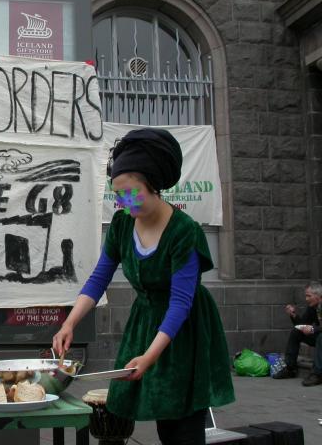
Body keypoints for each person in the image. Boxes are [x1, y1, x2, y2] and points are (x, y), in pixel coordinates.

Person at [52, 127, 234, 445]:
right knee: (146, 407)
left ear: (154, 185)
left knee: (181, 420)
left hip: (185, 328)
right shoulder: (123, 225)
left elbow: (181, 302)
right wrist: (69, 322)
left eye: (131, 193)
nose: (123, 201)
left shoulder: (184, 231)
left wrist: (149, 357)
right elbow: (98, 279)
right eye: (118, 194)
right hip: (145, 323)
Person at [273, 282, 322, 386]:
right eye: (306, 296)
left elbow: (314, 329)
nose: (306, 299)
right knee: (296, 332)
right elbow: (302, 325)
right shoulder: (312, 307)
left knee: (321, 337)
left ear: (318, 296)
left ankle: (317, 374)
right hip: (318, 333)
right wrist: (293, 315)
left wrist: (313, 329)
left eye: (309, 296)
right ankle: (290, 368)